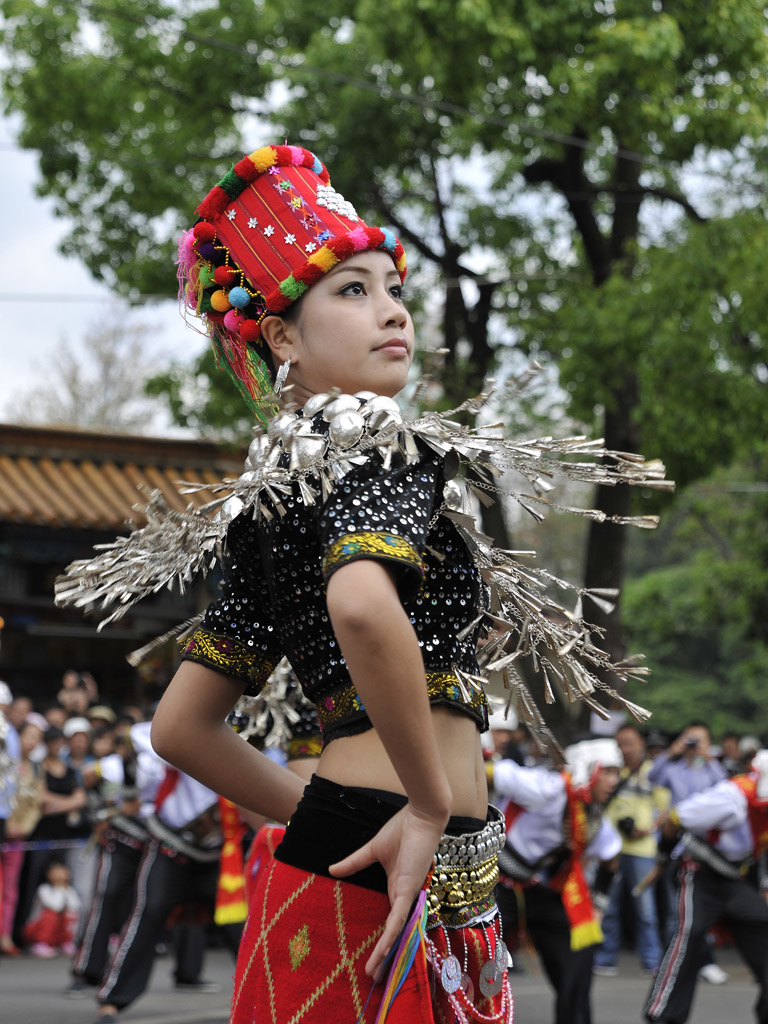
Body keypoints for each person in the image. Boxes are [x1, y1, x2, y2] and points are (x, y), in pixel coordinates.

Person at [55, 142, 668, 1024]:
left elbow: (180, 728)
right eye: (352, 290)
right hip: (406, 840)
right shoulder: (392, 448)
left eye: (394, 289)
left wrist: (326, 815)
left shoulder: (275, 500)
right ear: (280, 337)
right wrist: (421, 803)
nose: (391, 312)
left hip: (362, 848)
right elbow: (360, 603)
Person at [492, 738, 623, 1024]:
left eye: (617, 773)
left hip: (537, 888)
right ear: (589, 770)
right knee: (480, 959)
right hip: (495, 884)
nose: (614, 780)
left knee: (580, 951)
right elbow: (496, 773)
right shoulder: (550, 788)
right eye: (608, 771)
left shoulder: (593, 813)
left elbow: (612, 855)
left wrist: (598, 904)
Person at [645, 750, 768, 1024]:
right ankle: (663, 1014)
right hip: (700, 875)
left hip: (736, 879)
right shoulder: (730, 797)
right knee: (691, 932)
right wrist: (663, 858)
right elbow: (674, 819)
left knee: (763, 924)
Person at [593, 724, 669, 976]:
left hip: (643, 849)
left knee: (645, 910)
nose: (623, 749)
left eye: (628, 743)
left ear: (641, 745)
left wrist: (646, 830)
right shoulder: (612, 772)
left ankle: (653, 960)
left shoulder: (653, 772)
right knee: (608, 905)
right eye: (619, 743)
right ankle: (605, 958)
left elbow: (666, 809)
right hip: (612, 849)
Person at [0, 719, 44, 956]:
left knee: (10, 890)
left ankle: (5, 936)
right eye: (28, 735)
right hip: (2, 828)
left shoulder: (37, 768)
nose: (32, 741)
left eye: (37, 737)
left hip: (19, 836)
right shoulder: (4, 764)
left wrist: (21, 828)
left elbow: (36, 804)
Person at [23, 859, 81, 957]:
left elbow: (75, 907)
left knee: (70, 915)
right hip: (37, 928)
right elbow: (55, 906)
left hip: (59, 930)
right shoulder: (44, 889)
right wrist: (60, 889)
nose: (59, 875)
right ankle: (42, 943)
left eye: (61, 871)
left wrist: (65, 890)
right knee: (51, 915)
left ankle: (64, 942)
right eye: (55, 871)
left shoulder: (70, 890)